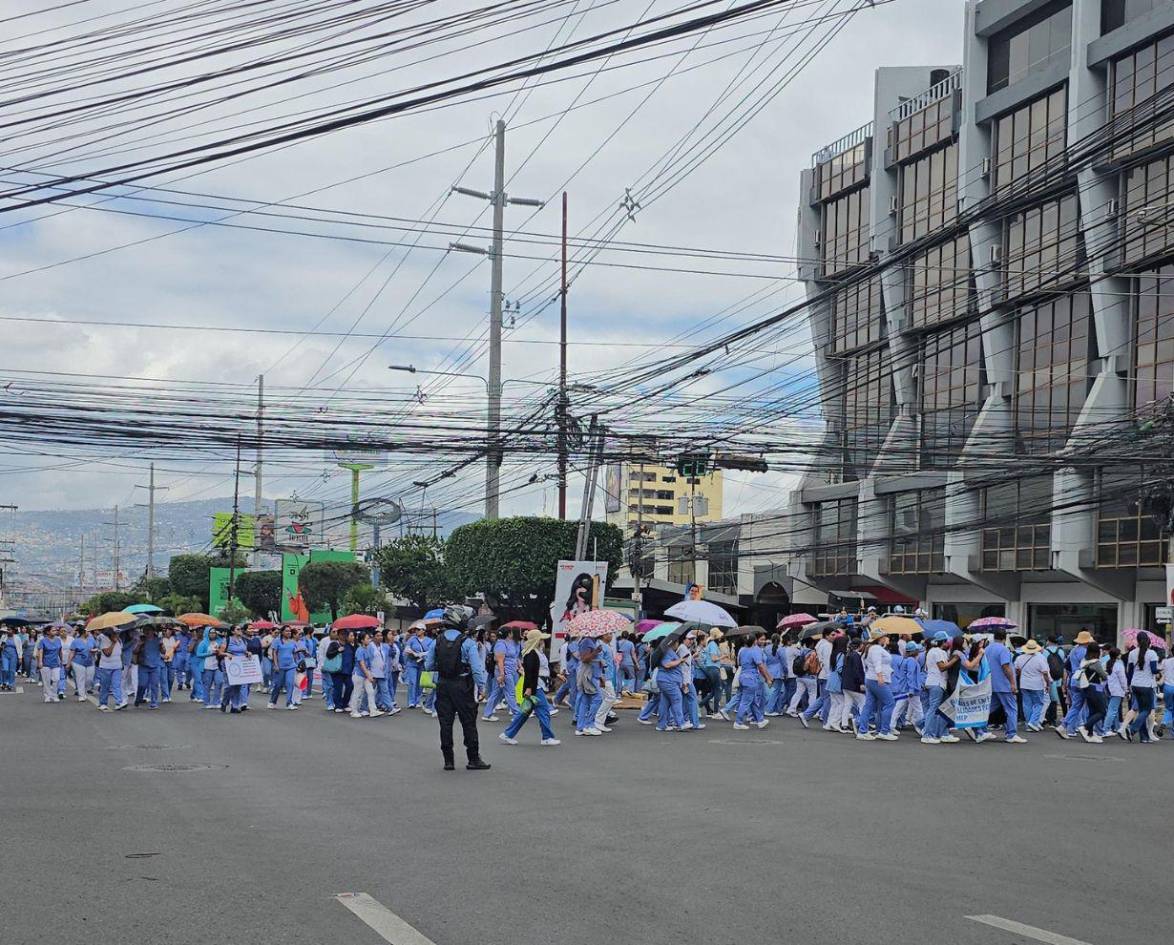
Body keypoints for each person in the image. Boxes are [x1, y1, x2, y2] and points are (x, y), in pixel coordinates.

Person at [424, 606, 490, 771]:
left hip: (443, 685)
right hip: (462, 686)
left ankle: (448, 761)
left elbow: (428, 664)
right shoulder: (467, 643)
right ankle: (473, 759)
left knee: (445, 723)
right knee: (468, 722)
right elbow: (476, 669)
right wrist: (481, 687)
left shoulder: (436, 641)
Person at [499, 628, 560, 747]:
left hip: (535, 686)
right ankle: (547, 737)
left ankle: (508, 734)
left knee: (524, 713)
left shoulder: (537, 652)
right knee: (544, 712)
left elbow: (544, 669)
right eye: (541, 639)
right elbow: (531, 673)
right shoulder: (531, 654)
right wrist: (529, 688)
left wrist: (556, 675)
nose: (543, 641)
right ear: (537, 640)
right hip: (535, 687)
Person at [985, 628, 1026, 744]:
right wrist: (1013, 683)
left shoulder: (987, 649)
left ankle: (979, 728)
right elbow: (1006, 667)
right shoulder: (1003, 650)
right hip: (1003, 684)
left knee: (989, 708)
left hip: (991, 683)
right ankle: (1011, 734)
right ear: (1005, 638)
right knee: (1012, 708)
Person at [855, 631, 896, 741]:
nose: (886, 638)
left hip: (870, 678)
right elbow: (877, 663)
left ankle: (863, 730)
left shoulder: (870, 648)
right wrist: (880, 676)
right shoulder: (876, 649)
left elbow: (866, 665)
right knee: (889, 703)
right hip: (877, 679)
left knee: (870, 705)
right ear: (880, 638)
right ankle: (884, 731)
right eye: (884, 636)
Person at [733, 630, 772, 731]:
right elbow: (760, 666)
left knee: (752, 700)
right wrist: (768, 678)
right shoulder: (754, 651)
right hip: (751, 678)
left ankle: (760, 720)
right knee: (746, 701)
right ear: (754, 641)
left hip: (743, 676)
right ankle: (738, 722)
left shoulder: (742, 650)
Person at [1125, 633, 1159, 744]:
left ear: (1137, 641)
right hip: (1147, 685)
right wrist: (1160, 671)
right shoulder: (1152, 653)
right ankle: (1132, 729)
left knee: (1141, 710)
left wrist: (1128, 685)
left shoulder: (1132, 653)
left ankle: (1144, 737)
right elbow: (1154, 670)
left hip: (1135, 684)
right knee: (1147, 710)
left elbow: (1129, 672)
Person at [1059, 630, 1093, 738]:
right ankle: (1084, 727)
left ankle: (1066, 727)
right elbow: (1087, 666)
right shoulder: (1084, 651)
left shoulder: (1073, 650)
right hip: (1082, 679)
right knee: (1085, 706)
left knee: (1075, 706)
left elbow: (1067, 666)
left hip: (1073, 678)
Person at [1076, 642, 1109, 743]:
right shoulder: (1096, 662)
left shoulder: (1084, 661)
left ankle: (1090, 734)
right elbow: (1104, 676)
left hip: (1086, 687)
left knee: (1092, 711)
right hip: (1095, 688)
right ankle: (1085, 727)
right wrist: (1106, 673)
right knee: (1102, 711)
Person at [1015, 639, 1051, 732]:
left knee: (1027, 704)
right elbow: (1045, 673)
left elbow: (1017, 670)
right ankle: (1033, 722)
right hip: (1037, 684)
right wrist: (1047, 683)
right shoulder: (1040, 658)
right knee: (1039, 703)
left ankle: (1028, 724)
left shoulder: (1020, 658)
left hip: (1024, 683)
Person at [349, 631, 384, 719]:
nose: (369, 640)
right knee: (357, 692)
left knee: (371, 691)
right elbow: (362, 664)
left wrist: (369, 674)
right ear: (362, 640)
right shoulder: (360, 650)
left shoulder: (367, 649)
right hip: (359, 674)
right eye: (367, 638)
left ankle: (373, 710)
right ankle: (354, 711)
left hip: (366, 674)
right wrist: (369, 675)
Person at [268, 626, 300, 710]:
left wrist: (296, 663)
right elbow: (274, 653)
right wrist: (275, 664)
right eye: (286, 631)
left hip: (291, 666)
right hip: (280, 666)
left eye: (289, 631)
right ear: (282, 632)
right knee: (278, 685)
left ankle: (289, 703)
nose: (289, 633)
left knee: (290, 684)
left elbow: (294, 653)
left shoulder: (292, 642)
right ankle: (272, 701)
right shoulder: (277, 641)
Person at [95, 629, 126, 711]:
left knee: (116, 685)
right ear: (111, 634)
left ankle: (119, 702)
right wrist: (113, 643)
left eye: (118, 633)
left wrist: (122, 663)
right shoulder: (103, 639)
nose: (117, 635)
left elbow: (120, 652)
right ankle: (103, 703)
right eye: (116, 633)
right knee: (105, 686)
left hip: (117, 666)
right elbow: (107, 653)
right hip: (106, 667)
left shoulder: (119, 640)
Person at [35, 624, 64, 703]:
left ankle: (54, 695)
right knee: (46, 681)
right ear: (48, 632)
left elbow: (60, 651)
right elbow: (40, 652)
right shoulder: (43, 641)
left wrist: (62, 660)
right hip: (45, 663)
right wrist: (40, 662)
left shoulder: (58, 640)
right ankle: (47, 696)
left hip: (56, 663)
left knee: (56, 679)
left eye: (55, 630)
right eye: (53, 630)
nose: (55, 632)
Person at [1104, 647, 1128, 739]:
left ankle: (1117, 727)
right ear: (1118, 655)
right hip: (1117, 690)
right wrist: (1126, 689)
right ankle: (1106, 729)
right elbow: (1123, 679)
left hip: (1109, 688)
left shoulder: (1109, 663)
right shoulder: (1119, 665)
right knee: (1112, 710)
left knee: (1113, 709)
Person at [67, 625, 94, 702]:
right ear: (83, 632)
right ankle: (81, 695)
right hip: (78, 662)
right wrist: (69, 663)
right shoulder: (75, 641)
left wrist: (95, 651)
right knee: (80, 678)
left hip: (90, 662)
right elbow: (72, 652)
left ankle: (85, 690)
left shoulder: (91, 640)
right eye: (87, 631)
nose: (89, 632)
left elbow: (96, 647)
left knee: (89, 679)